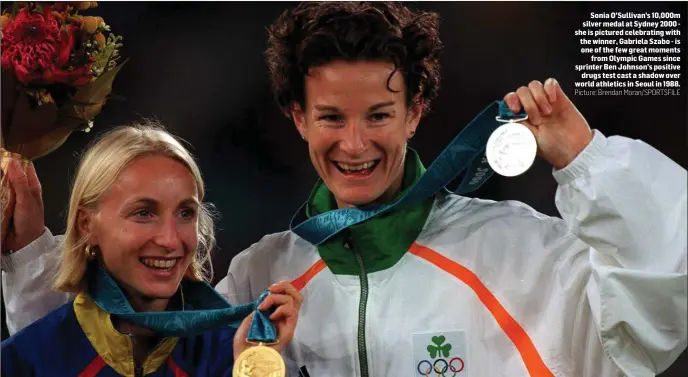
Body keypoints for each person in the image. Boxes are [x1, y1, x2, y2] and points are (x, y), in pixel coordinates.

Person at [2, 2, 687, 377]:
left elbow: (661, 312)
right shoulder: (261, 274)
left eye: (379, 116)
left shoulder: (528, 256)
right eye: (331, 117)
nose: (354, 145)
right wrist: (33, 257)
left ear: (417, 112)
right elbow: (111, 359)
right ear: (298, 118)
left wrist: (592, 163)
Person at [1, 123, 302, 376]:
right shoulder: (24, 361)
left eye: (185, 213)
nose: (170, 240)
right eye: (143, 213)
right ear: (86, 224)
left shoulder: (231, 354)